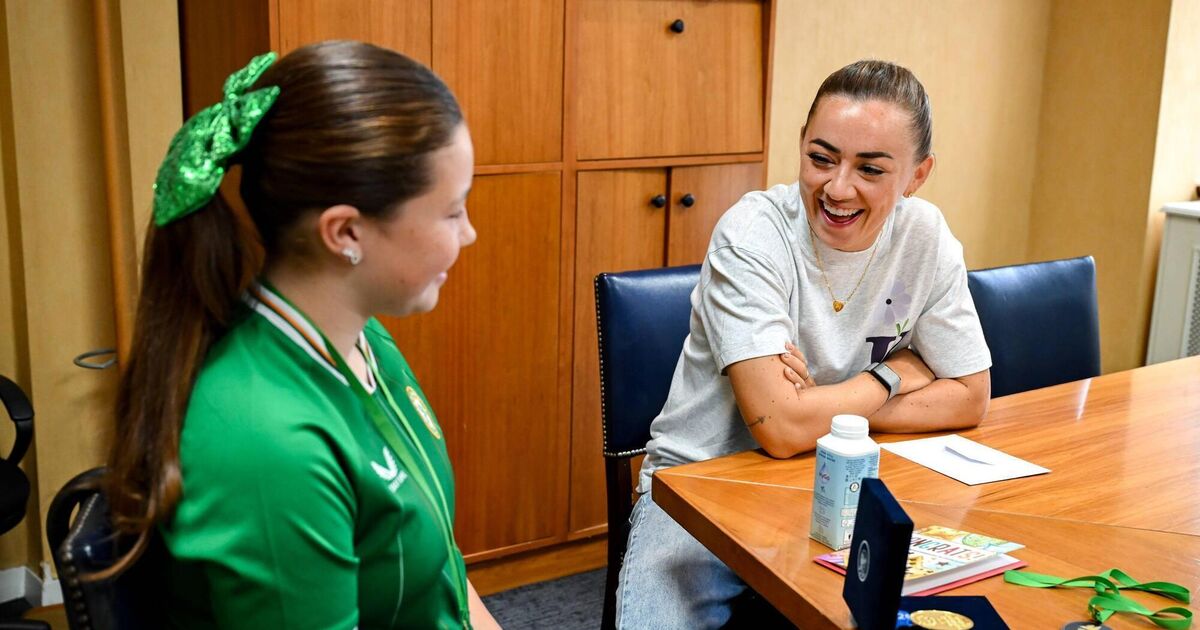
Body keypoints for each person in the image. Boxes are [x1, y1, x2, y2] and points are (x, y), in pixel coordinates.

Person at [103, 41, 500, 629]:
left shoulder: (362, 341)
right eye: (451, 211)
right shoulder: (268, 444)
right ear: (344, 233)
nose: (468, 234)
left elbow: (441, 562)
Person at [616, 59, 993, 628]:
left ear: (917, 174)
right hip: (702, 487)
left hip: (850, 486)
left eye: (870, 169)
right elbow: (781, 427)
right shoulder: (754, 233)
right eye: (821, 159)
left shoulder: (925, 237)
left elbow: (969, 395)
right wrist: (892, 375)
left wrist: (827, 412)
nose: (837, 188)